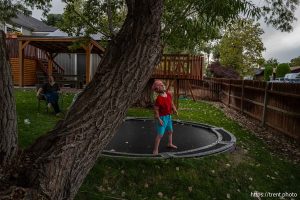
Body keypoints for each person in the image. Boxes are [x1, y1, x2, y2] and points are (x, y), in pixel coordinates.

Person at [152, 79, 178, 155]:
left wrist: (175, 109)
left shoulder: (168, 94)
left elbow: (171, 103)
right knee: (160, 135)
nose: (162, 85)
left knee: (170, 131)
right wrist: (159, 119)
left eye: (162, 84)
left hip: (168, 117)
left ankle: (170, 144)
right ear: (157, 89)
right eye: (160, 85)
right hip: (162, 118)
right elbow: (156, 110)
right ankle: (155, 150)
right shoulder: (158, 99)